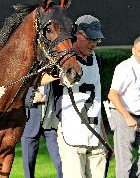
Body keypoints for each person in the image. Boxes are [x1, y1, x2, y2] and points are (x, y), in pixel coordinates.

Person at [53, 15, 107, 178]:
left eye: (97, 39)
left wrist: (104, 137)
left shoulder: (97, 60)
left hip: (95, 137)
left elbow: (97, 100)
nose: (94, 43)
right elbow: (37, 81)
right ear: (76, 33)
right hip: (72, 135)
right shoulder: (61, 62)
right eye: (90, 38)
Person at [107, 36, 140, 178]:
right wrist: (127, 117)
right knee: (124, 162)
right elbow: (112, 94)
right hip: (122, 114)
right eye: (139, 51)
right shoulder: (124, 68)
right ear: (133, 50)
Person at [21, 73, 62, 178]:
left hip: (51, 124)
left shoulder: (55, 72)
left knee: (61, 163)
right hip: (30, 124)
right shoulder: (28, 69)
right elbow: (17, 95)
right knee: (28, 166)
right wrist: (33, 98)